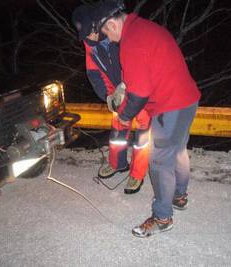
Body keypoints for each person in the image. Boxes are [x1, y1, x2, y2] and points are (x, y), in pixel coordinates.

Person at [94, 1, 201, 237]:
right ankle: (179, 196)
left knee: (160, 161)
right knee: (178, 150)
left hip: (170, 105)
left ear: (112, 23)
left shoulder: (131, 41)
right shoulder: (144, 28)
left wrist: (123, 117)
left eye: (107, 33)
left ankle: (162, 217)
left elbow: (140, 93)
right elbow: (145, 77)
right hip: (187, 98)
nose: (109, 39)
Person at [72, 4, 151, 194]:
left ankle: (137, 174)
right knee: (117, 130)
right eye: (85, 35)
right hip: (118, 93)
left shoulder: (119, 35)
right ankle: (117, 164)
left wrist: (128, 88)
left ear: (99, 25)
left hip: (137, 91)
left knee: (142, 134)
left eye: (91, 32)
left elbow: (138, 66)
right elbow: (95, 75)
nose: (89, 38)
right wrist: (109, 96)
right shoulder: (90, 45)